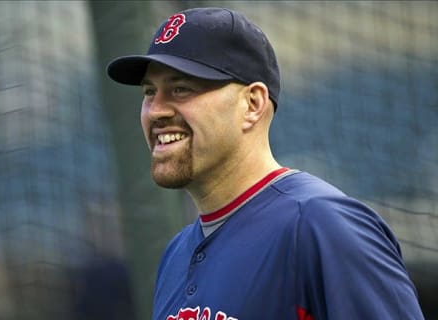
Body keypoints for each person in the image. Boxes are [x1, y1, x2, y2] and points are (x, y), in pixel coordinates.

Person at [106, 7, 424, 320]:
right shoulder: (175, 257)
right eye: (150, 92)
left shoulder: (321, 226)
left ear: (253, 104)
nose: (156, 110)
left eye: (181, 88)